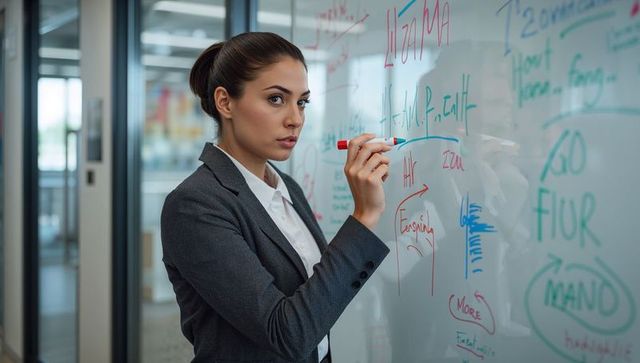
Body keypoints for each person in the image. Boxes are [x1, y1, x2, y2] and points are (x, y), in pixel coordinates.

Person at [161, 32, 391, 363]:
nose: (295, 118)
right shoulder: (195, 205)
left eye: (302, 101)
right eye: (275, 99)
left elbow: (317, 300)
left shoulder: (287, 187)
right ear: (225, 102)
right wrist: (363, 218)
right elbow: (286, 334)